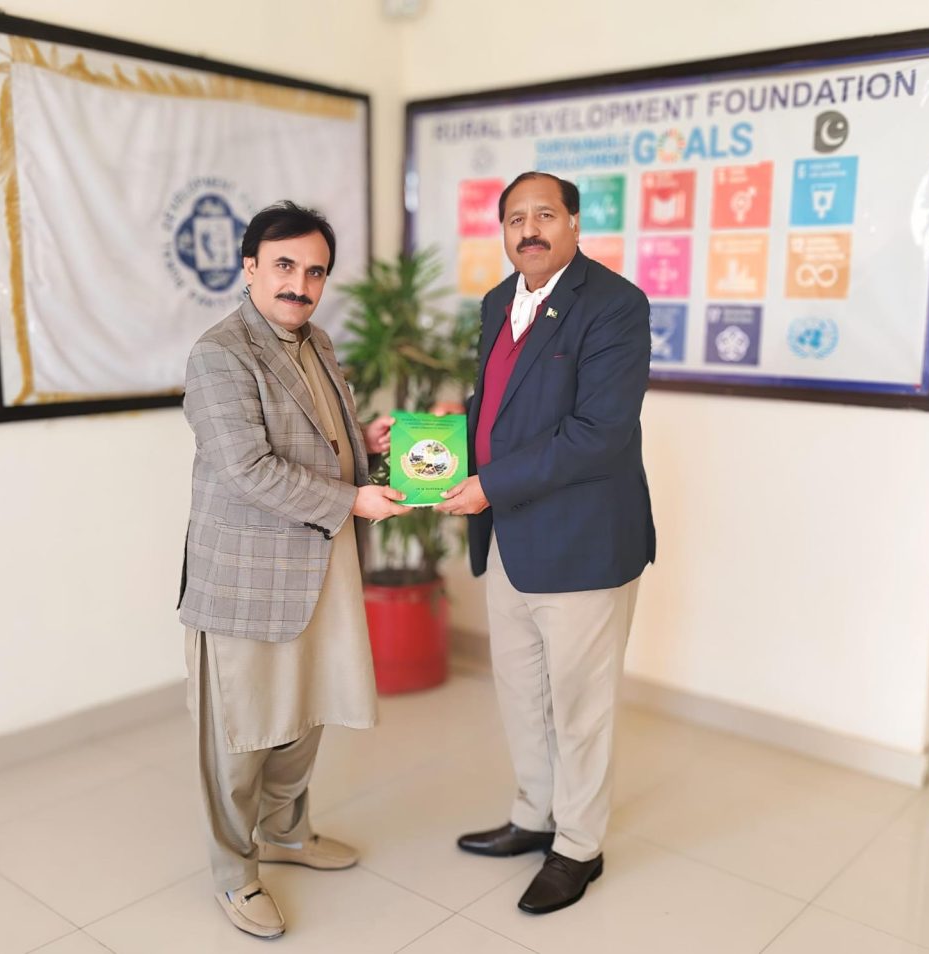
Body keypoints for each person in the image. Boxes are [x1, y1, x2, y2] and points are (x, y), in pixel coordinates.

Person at [178, 200, 407, 939]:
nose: (300, 284)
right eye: (284, 265)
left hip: (319, 566)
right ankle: (234, 873)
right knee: (241, 735)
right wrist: (352, 498)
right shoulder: (220, 353)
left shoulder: (317, 340)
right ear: (250, 267)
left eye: (315, 271)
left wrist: (363, 440)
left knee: (304, 715)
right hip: (247, 575)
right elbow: (248, 468)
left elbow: (315, 436)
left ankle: (285, 833)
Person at [437, 172, 655, 915]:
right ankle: (535, 815)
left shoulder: (615, 304)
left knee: (580, 706)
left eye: (545, 215)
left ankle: (579, 846)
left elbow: (599, 432)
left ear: (574, 223)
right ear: (503, 231)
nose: (529, 230)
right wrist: (450, 430)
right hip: (510, 537)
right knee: (522, 693)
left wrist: (490, 484)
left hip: (583, 542)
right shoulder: (499, 301)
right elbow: (500, 405)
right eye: (515, 219)